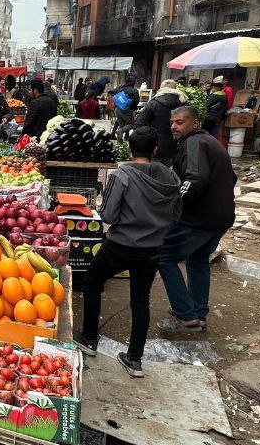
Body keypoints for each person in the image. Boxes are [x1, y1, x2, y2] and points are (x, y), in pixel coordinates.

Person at [75, 127, 182, 377]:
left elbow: (109, 215)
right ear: (155, 149)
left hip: (121, 245)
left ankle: (89, 338)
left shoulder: (122, 176)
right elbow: (177, 214)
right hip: (153, 248)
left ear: (128, 148)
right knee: (140, 301)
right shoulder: (170, 178)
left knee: (92, 281)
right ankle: (134, 359)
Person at [157, 105, 237, 334]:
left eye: (180, 122)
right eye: (172, 122)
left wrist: (174, 204)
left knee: (164, 257)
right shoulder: (211, 142)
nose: (173, 126)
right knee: (198, 260)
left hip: (198, 220)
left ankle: (186, 316)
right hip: (221, 217)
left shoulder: (194, 142)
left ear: (195, 124)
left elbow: (195, 179)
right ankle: (197, 313)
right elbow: (232, 177)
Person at [135, 78, 182, 163]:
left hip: (155, 147)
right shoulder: (183, 103)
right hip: (176, 147)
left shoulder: (153, 103)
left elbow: (139, 124)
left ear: (161, 89)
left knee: (153, 173)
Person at [111, 75, 140, 140]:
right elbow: (136, 101)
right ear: (133, 82)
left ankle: (120, 142)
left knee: (122, 126)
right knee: (131, 125)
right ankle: (121, 132)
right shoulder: (134, 90)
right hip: (127, 110)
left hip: (117, 109)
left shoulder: (120, 89)